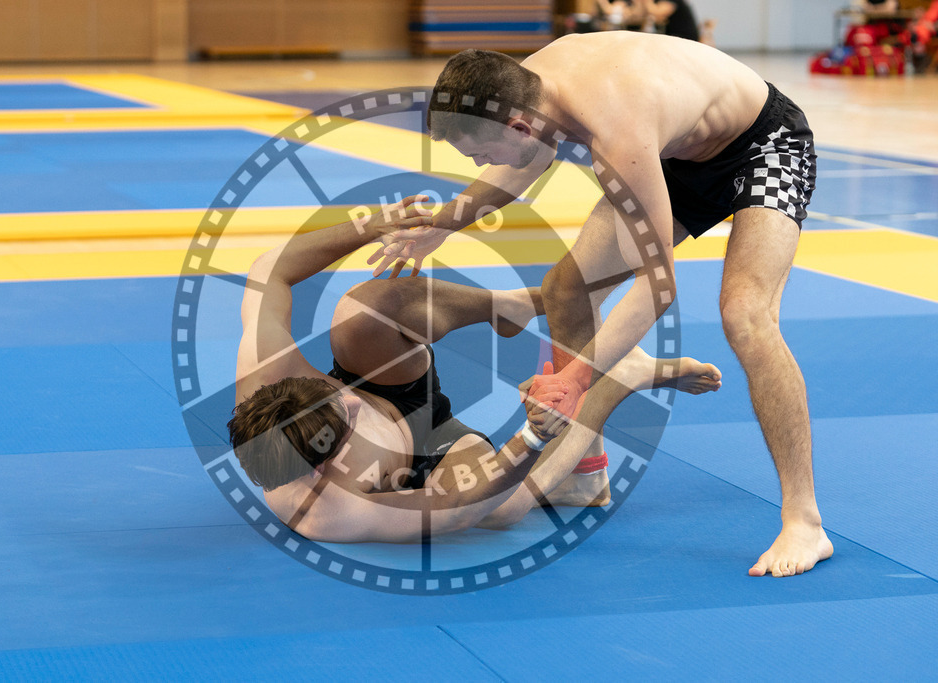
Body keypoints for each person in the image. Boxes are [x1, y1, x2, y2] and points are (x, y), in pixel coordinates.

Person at [368, 32, 832, 576]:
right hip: (673, 152)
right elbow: (522, 160)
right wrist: (444, 224)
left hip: (765, 146)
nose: (482, 163)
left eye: (480, 154)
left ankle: (805, 521)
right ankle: (582, 473)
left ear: (518, 125)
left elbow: (658, 285)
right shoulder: (527, 88)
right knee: (567, 289)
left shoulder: (616, 124)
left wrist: (576, 379)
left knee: (745, 315)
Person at [228, 195, 721, 542]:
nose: (351, 400)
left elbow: (269, 270)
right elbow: (457, 509)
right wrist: (532, 437)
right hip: (428, 452)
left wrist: (370, 227)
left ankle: (509, 305)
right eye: (347, 419)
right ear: (321, 466)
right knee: (501, 510)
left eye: (335, 396)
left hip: (389, 383)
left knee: (363, 313)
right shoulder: (336, 513)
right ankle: (619, 381)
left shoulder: (266, 373)